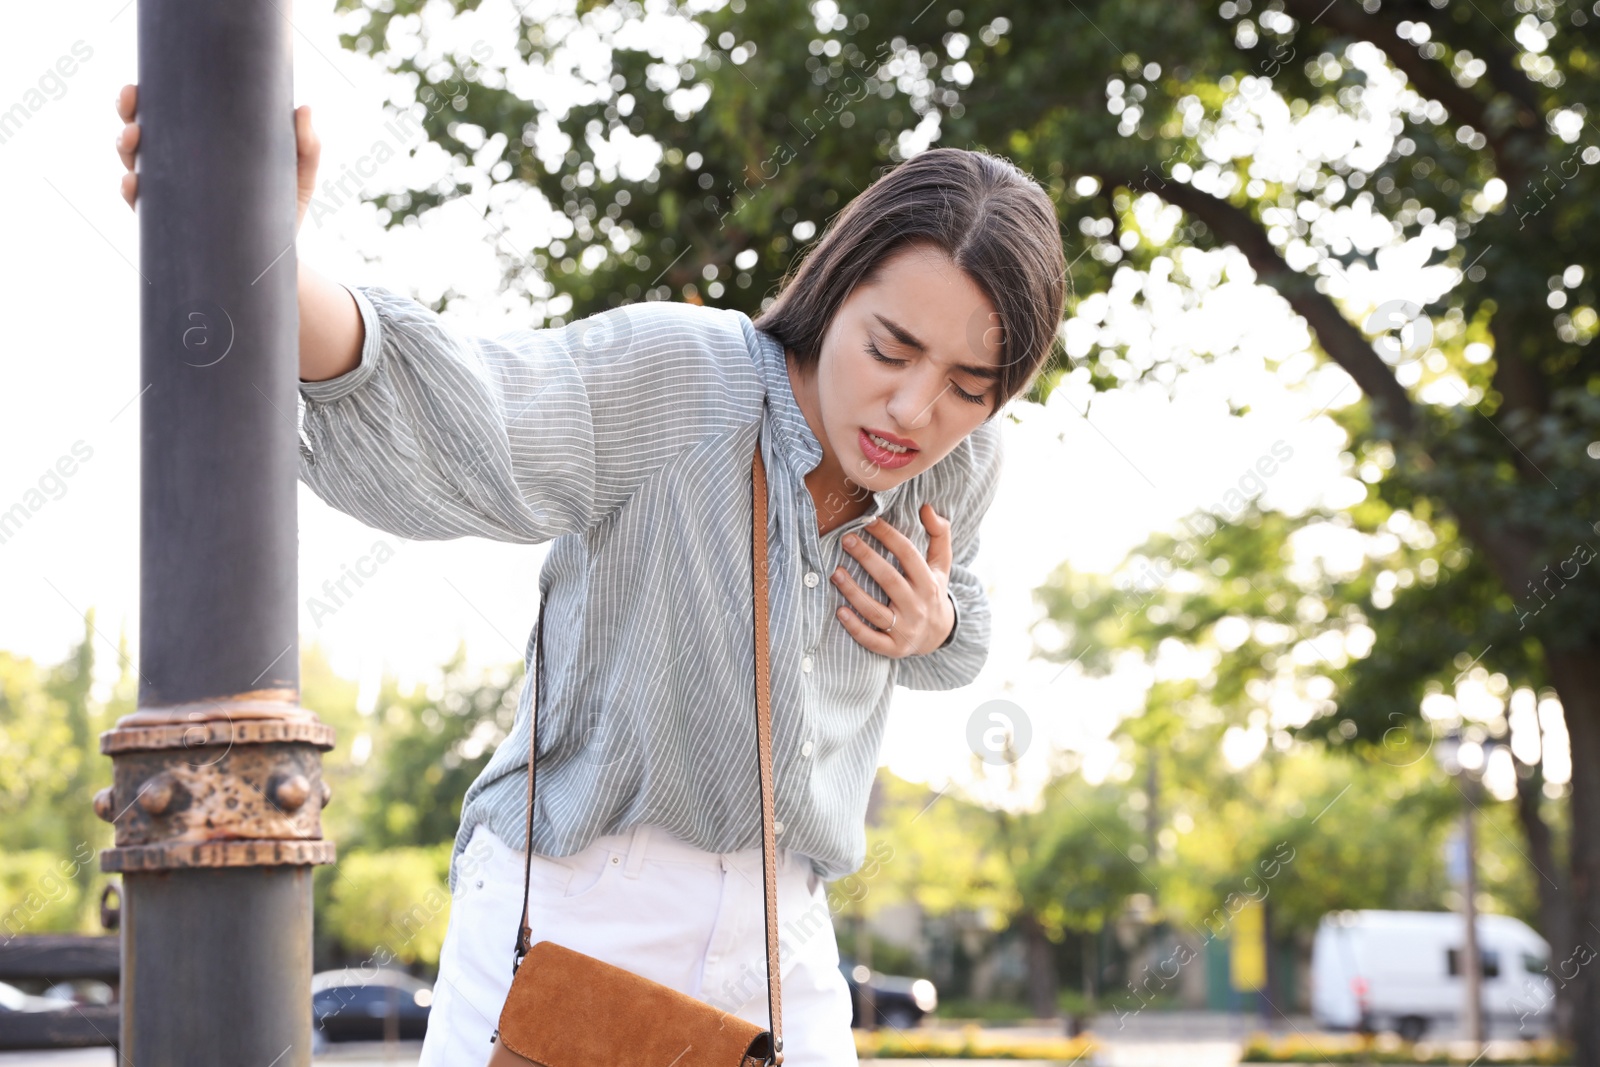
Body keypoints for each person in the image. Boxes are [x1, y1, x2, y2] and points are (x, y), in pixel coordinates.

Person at [115, 84, 1065, 1065]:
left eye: (969, 385)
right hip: (583, 897)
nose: (913, 409)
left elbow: (965, 624)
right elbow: (476, 415)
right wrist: (263, 253)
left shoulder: (961, 466)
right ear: (837, 290)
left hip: (786, 932)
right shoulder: (682, 375)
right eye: (891, 347)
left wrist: (936, 627)